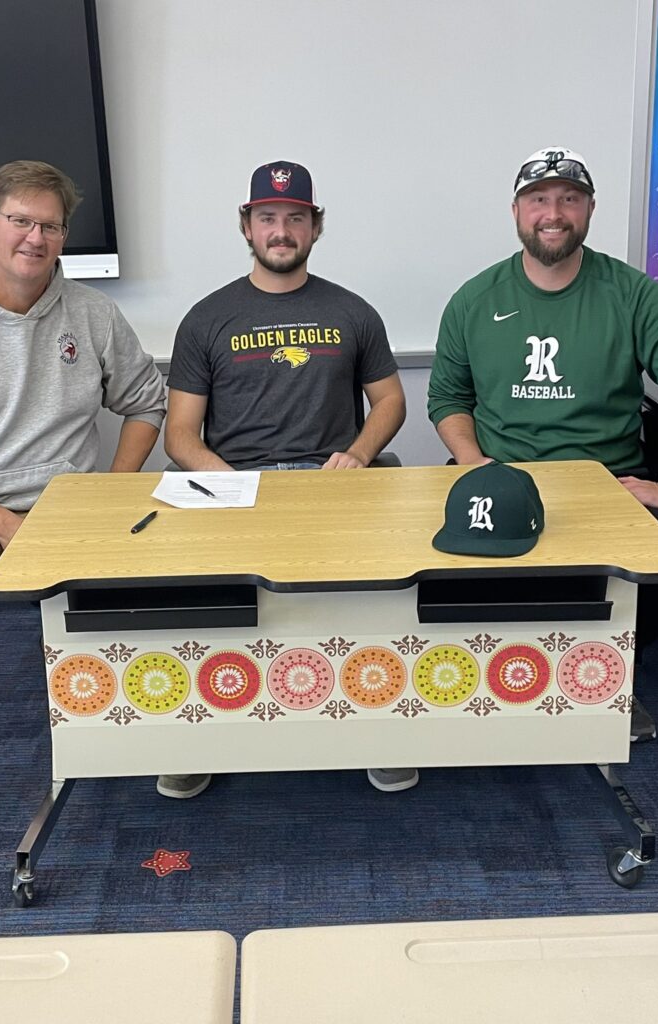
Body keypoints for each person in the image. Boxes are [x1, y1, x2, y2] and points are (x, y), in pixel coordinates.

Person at [0, 161, 166, 856]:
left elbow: (146, 402)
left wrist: (110, 492)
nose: (35, 237)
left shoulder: (91, 315)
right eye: (21, 221)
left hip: (72, 506)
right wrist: (8, 526)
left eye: (50, 226)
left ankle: (167, 727)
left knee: (183, 542)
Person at [427, 146, 658, 739]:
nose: (554, 212)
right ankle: (512, 680)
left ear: (590, 209)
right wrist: (474, 465)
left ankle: (601, 678)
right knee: (431, 580)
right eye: (539, 199)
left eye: (569, 198)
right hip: (499, 476)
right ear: (517, 211)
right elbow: (447, 399)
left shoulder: (632, 293)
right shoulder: (475, 298)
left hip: (606, 480)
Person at [164, 159, 410, 796]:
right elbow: (181, 436)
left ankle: (377, 724)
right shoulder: (206, 317)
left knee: (371, 595)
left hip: (328, 486)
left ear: (315, 226)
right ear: (246, 226)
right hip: (233, 485)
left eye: (295, 218)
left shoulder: (352, 311)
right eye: (268, 218)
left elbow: (390, 403)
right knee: (203, 603)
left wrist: (357, 455)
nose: (281, 230)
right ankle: (198, 733)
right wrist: (231, 485)